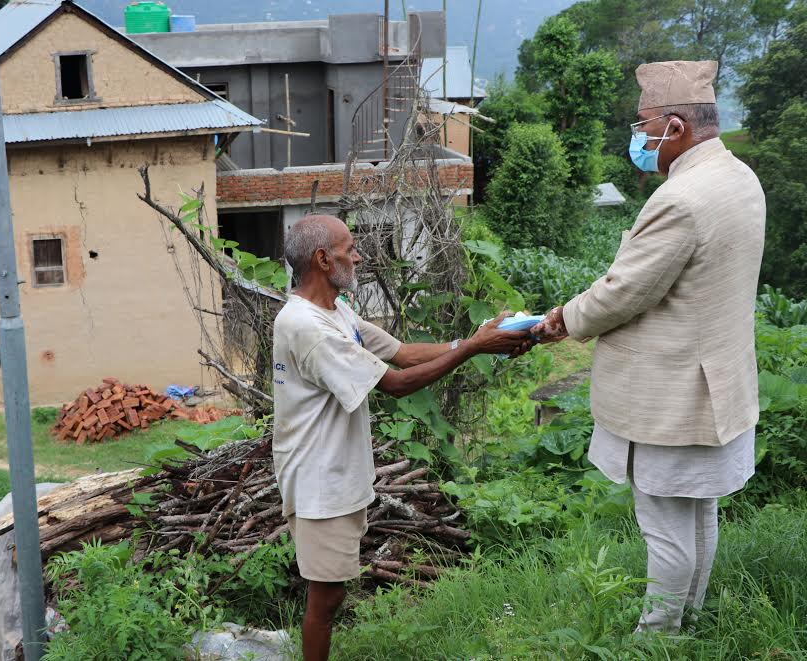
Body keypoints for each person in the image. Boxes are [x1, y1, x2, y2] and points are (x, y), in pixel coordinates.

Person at [531, 60, 766, 633]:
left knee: (663, 524)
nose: (637, 136)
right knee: (698, 512)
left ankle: (656, 636)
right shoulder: (738, 176)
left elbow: (622, 293)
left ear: (677, 126)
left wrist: (560, 319)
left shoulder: (681, 199)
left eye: (643, 124)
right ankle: (690, 618)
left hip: (673, 391)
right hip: (719, 381)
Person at [273, 214, 530, 660]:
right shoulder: (307, 328)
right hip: (319, 480)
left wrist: (477, 339)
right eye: (349, 248)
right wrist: (473, 349)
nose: (358, 256)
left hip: (337, 475)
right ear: (322, 258)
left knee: (331, 595)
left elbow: (403, 353)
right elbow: (395, 383)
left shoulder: (334, 310)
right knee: (325, 601)